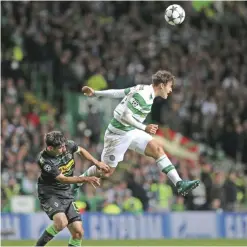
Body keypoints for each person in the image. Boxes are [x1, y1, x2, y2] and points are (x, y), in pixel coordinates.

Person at [76, 70, 200, 196]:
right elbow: (125, 116)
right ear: (162, 85)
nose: (170, 90)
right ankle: (77, 182)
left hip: (130, 130)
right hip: (118, 134)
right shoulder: (144, 96)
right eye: (169, 86)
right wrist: (144, 127)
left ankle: (179, 183)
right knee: (106, 171)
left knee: (156, 148)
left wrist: (96, 93)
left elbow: (120, 92)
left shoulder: (143, 89)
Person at [35, 131, 109, 246]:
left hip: (65, 191)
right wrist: (86, 179)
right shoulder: (44, 160)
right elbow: (63, 179)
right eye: (60, 148)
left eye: (64, 146)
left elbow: (81, 150)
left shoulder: (67, 145)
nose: (64, 149)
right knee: (61, 222)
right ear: (50, 148)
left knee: (78, 232)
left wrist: (97, 162)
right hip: (49, 193)